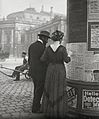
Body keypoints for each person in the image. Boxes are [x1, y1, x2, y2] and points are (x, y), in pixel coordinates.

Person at [40, 30, 71, 118]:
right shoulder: (62, 48)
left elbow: (42, 59)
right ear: (60, 39)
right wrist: (70, 55)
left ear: (53, 39)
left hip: (50, 69)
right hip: (60, 70)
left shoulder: (48, 48)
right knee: (59, 88)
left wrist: (50, 62)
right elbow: (67, 60)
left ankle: (49, 110)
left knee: (50, 88)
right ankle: (58, 111)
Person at [28, 30, 50, 113]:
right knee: (39, 90)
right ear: (43, 38)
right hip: (41, 73)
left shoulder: (31, 45)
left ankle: (36, 104)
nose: (47, 41)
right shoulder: (43, 47)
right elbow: (44, 60)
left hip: (33, 72)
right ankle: (35, 108)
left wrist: (31, 70)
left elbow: (30, 60)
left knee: (36, 89)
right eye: (47, 39)